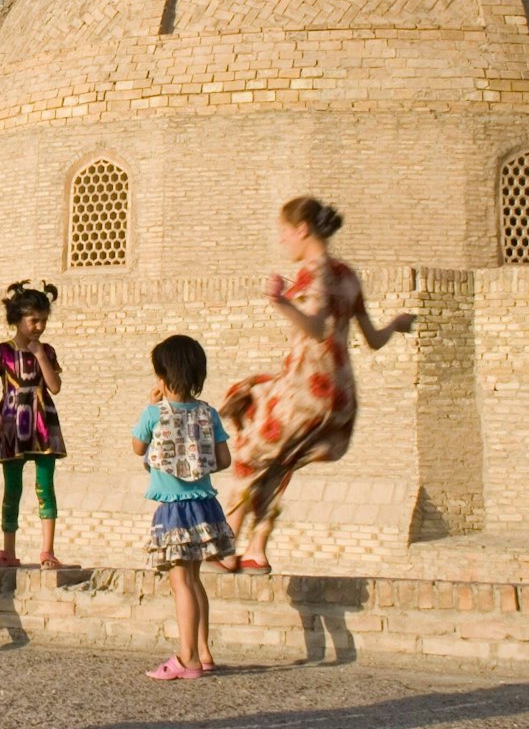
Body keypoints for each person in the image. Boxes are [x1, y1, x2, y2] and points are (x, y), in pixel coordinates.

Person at [218, 197, 414, 576]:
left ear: (303, 229)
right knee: (280, 462)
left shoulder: (316, 272)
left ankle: (226, 546)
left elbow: (317, 326)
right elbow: (372, 339)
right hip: (340, 396)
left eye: (285, 233)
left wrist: (281, 302)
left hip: (307, 388)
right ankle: (256, 549)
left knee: (248, 451)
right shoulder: (348, 275)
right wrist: (397, 323)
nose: (283, 241)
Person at [131, 335, 234, 679]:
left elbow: (136, 447)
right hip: (205, 506)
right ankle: (204, 651)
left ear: (162, 375)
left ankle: (187, 657)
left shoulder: (153, 413)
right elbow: (223, 459)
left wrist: (152, 407)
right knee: (195, 580)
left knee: (181, 584)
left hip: (173, 510)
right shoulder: (208, 413)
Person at [0, 280, 69, 569]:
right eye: (34, 321)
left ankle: (47, 550)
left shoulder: (48, 351)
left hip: (42, 423)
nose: (39, 327)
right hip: (12, 425)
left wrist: (40, 354)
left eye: (43, 321)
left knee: (45, 486)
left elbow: (54, 386)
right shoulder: (1, 352)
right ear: (18, 319)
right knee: (13, 488)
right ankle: (8, 550)